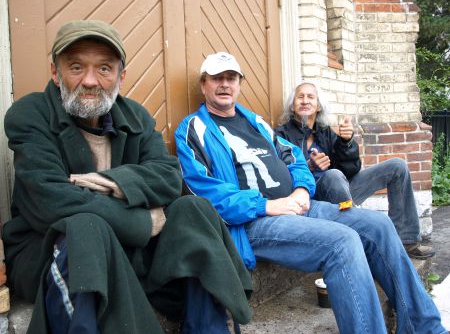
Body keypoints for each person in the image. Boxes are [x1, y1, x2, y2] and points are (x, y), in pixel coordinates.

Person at [3, 21, 252, 334]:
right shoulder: (29, 114)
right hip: (52, 251)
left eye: (104, 68)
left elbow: (169, 177)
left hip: (128, 250)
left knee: (194, 209)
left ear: (120, 76)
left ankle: (206, 328)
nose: (90, 80)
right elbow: (50, 200)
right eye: (77, 67)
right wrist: (145, 222)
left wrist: (114, 183)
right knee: (85, 227)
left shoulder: (135, 115)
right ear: (55, 72)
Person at [174, 52, 447, 333]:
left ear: (239, 83)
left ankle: (424, 326)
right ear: (203, 84)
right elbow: (204, 191)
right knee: (343, 242)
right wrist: (267, 206)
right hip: (254, 221)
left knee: (378, 224)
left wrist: (303, 190)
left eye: (231, 78)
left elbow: (294, 157)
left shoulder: (255, 123)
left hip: (300, 205)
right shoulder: (193, 128)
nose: (224, 84)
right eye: (217, 78)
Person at [275, 80, 434, 260]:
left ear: (318, 106)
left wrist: (346, 142)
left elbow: (350, 170)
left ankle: (406, 241)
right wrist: (309, 167)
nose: (305, 101)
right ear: (292, 104)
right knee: (332, 175)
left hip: (340, 195)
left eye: (311, 97)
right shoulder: (281, 135)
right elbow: (278, 175)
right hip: (312, 200)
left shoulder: (325, 133)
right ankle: (362, 242)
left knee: (397, 167)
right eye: (300, 97)